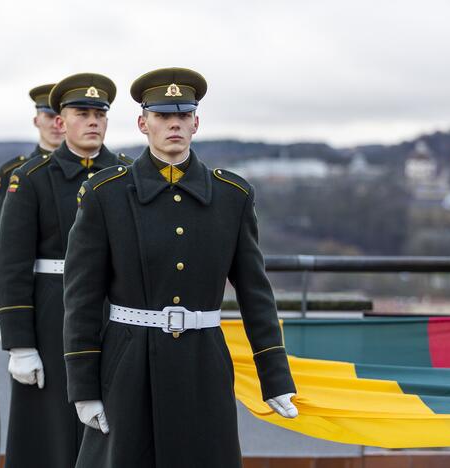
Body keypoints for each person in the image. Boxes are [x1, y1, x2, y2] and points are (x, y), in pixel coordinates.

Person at [63, 67, 299, 468]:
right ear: (143, 123)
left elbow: (255, 293)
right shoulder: (106, 195)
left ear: (196, 123)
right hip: (128, 363)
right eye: (161, 116)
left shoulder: (232, 196)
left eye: (183, 115)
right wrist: (83, 386)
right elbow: (82, 296)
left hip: (202, 363)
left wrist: (274, 375)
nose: (174, 123)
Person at [0, 73, 130, 468]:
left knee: (113, 424)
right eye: (81, 113)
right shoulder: (31, 179)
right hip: (51, 315)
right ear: (61, 122)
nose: (92, 122)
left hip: (110, 311)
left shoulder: (125, 174)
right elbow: (11, 262)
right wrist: (20, 342)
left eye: (99, 114)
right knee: (48, 429)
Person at [0, 83, 65, 334]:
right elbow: (1, 243)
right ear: (36, 120)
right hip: (37, 293)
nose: (56, 123)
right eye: (49, 116)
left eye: (60, 116)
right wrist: (3, 310)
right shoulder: (15, 173)